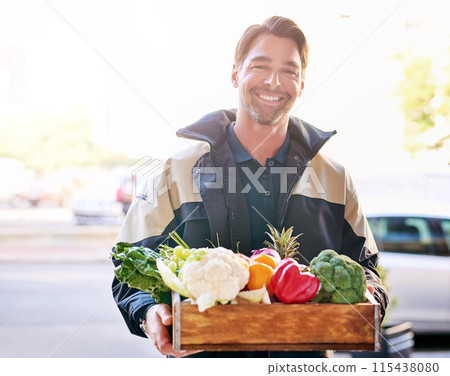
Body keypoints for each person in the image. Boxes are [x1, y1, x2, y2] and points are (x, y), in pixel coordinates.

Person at [111, 16, 389, 358]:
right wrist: (149, 312)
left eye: (289, 70)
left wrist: (370, 296)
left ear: (302, 83)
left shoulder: (334, 178)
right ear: (235, 74)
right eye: (260, 66)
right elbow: (130, 268)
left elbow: (367, 270)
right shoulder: (177, 172)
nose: (274, 81)